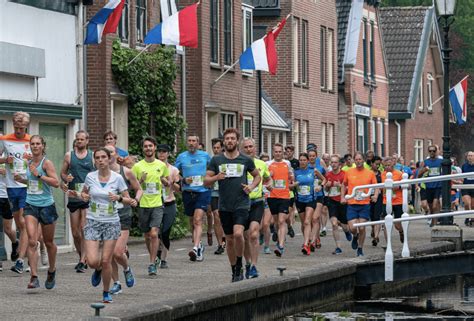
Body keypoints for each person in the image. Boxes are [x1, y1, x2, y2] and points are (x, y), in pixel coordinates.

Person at [81, 148, 136, 303]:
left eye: (103, 157)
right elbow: (84, 194)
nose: (100, 160)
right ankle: (97, 269)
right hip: (93, 222)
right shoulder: (90, 177)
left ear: (108, 159)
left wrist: (118, 197)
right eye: (97, 157)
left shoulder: (117, 178)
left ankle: (106, 292)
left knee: (106, 260)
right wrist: (83, 196)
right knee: (92, 261)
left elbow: (127, 199)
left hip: (111, 223)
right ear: (95, 160)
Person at [205, 128, 260, 282]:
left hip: (242, 203)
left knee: (238, 234)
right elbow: (205, 181)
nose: (229, 141)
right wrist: (217, 177)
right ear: (224, 141)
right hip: (224, 205)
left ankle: (240, 263)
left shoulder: (245, 159)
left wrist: (251, 187)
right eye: (227, 138)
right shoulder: (216, 160)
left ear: (237, 141)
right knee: (229, 239)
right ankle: (234, 269)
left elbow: (257, 176)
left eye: (232, 138)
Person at [14, 135, 59, 289]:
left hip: (47, 206)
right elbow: (32, 181)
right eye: (32, 144)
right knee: (32, 240)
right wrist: (21, 179)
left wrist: (39, 174)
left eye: (37, 144)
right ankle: (34, 276)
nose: (35, 146)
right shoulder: (28, 163)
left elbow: (56, 183)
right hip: (30, 204)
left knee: (49, 242)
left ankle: (52, 270)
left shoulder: (46, 163)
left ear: (42, 146)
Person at [105, 145, 141, 295]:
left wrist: (136, 200)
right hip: (106, 216)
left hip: (123, 214)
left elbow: (139, 189)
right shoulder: (99, 174)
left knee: (118, 252)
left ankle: (126, 268)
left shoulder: (125, 171)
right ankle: (117, 283)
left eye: (111, 152)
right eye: (105, 153)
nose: (108, 155)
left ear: (116, 154)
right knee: (109, 253)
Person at [132, 137, 170, 275]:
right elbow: (132, 185)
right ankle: (152, 257)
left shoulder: (161, 165)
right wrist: (140, 180)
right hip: (143, 204)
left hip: (157, 204)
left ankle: (152, 263)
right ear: (143, 149)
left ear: (155, 147)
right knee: (147, 235)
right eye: (145, 146)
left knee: (154, 233)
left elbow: (167, 183)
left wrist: (165, 182)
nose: (148, 148)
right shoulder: (137, 166)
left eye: (150, 146)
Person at [0, 112, 31, 274]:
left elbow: (41, 161)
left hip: (27, 186)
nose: (19, 130)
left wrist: (30, 160)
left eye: (21, 128)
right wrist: (5, 160)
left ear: (26, 126)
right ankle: (33, 247)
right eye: (16, 127)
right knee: (19, 223)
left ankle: (20, 260)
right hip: (11, 187)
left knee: (24, 223)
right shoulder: (5, 139)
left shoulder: (31, 140)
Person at [61, 130, 94, 273]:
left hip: (87, 196)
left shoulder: (92, 156)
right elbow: (62, 173)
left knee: (83, 228)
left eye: (82, 139)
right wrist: (65, 178)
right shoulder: (69, 155)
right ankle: (82, 256)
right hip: (74, 196)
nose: (79, 141)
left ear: (87, 141)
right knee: (75, 232)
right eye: (77, 139)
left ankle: (82, 261)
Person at [175, 135, 211, 262]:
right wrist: (183, 179)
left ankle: (195, 247)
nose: (191, 143)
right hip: (188, 192)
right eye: (189, 141)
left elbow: (212, 170)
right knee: (192, 221)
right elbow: (174, 173)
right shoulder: (182, 156)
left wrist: (209, 179)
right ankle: (199, 245)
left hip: (202, 191)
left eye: (194, 141)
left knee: (198, 220)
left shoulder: (205, 156)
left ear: (198, 143)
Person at [242, 138, 270, 278]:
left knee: (253, 233)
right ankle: (247, 263)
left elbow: (267, 178)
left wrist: (268, 185)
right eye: (246, 147)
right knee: (245, 236)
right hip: (242, 203)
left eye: (250, 146)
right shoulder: (239, 163)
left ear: (255, 147)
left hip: (257, 201)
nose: (248, 149)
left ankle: (254, 266)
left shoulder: (261, 164)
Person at [341, 152, 379, 257]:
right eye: (356, 159)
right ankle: (355, 235)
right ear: (354, 160)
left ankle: (360, 248)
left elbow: (376, 186)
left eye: (360, 159)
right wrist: (342, 197)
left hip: (364, 204)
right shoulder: (349, 172)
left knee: (362, 227)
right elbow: (343, 185)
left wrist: (375, 195)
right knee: (352, 228)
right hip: (352, 204)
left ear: (363, 160)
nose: (358, 161)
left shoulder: (369, 173)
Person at [266, 143, 294, 257]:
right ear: (273, 153)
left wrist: (291, 178)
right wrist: (269, 179)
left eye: (280, 152)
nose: (278, 154)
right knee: (277, 222)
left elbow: (291, 177)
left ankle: (281, 246)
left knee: (282, 221)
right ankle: (279, 239)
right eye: (276, 152)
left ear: (283, 152)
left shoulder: (287, 163)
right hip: (272, 196)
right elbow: (264, 179)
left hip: (284, 196)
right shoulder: (268, 164)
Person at [295, 153, 325, 255]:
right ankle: (307, 240)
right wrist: (293, 185)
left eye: (304, 160)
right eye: (300, 160)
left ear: (308, 161)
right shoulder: (296, 172)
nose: (302, 162)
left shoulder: (313, 171)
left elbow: (324, 180)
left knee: (308, 221)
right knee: (304, 223)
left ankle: (306, 244)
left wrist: (320, 186)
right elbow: (290, 185)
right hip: (299, 200)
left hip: (311, 199)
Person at [156, 144, 180, 268]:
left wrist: (171, 183)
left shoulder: (173, 170)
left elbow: (179, 188)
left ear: (168, 153)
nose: (161, 154)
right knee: (155, 232)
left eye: (164, 151)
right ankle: (157, 254)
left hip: (169, 202)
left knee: (165, 232)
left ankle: (164, 259)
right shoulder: (152, 168)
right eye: (159, 151)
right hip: (155, 203)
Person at [324, 155, 352, 255]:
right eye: (332, 162)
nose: (333, 164)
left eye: (335, 162)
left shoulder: (345, 174)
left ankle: (347, 231)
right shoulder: (328, 174)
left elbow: (349, 188)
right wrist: (327, 187)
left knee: (345, 226)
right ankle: (338, 247)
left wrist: (340, 186)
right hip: (332, 201)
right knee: (334, 224)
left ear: (339, 164)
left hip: (342, 201)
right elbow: (326, 190)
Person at [380, 157, 405, 243]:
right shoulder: (382, 175)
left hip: (398, 201)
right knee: (386, 222)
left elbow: (408, 186)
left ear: (393, 165)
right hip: (386, 201)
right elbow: (379, 186)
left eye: (389, 165)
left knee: (397, 224)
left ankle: (401, 231)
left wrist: (398, 186)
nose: (387, 167)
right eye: (385, 166)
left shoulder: (399, 174)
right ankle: (388, 243)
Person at [418, 145, 443, 225]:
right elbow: (418, 175)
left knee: (435, 205)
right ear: (428, 152)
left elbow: (446, 172)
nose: (432, 152)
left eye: (434, 151)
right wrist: (424, 170)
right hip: (428, 186)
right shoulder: (425, 162)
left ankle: (435, 222)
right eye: (430, 151)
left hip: (438, 186)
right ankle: (432, 219)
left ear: (436, 152)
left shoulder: (440, 161)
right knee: (431, 206)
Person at [209, 138, 226, 255]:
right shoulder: (211, 161)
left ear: (222, 148)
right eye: (214, 148)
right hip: (214, 192)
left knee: (226, 217)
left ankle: (227, 238)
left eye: (218, 148)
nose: (216, 150)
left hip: (226, 192)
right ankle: (220, 244)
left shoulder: (227, 160)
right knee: (216, 216)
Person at [307, 149, 327, 246]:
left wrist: (321, 186)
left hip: (319, 195)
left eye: (313, 156)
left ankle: (313, 240)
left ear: (316, 157)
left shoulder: (320, 168)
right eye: (310, 156)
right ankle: (317, 237)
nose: (311, 158)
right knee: (311, 219)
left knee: (315, 218)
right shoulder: (305, 168)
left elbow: (325, 180)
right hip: (309, 196)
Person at [368, 157, 383, 246]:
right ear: (371, 164)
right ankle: (373, 230)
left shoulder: (381, 174)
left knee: (377, 216)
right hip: (369, 197)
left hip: (379, 197)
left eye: (379, 164)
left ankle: (376, 237)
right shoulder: (367, 173)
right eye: (376, 164)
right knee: (371, 216)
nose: (377, 166)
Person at [462, 151, 474, 225]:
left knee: (473, 205)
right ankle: (467, 216)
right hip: (466, 186)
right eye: (468, 156)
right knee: (467, 203)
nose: (470, 157)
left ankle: (472, 218)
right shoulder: (464, 166)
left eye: (471, 156)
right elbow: (462, 176)